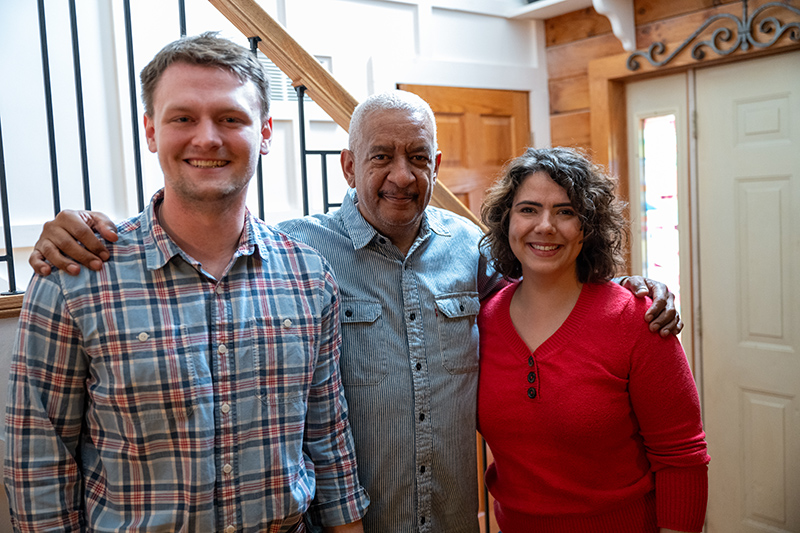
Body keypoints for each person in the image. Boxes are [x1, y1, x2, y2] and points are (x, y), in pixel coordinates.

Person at [27, 91, 683, 532]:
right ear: (347, 165)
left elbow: (546, 288)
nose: (402, 174)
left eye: (418, 157)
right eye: (381, 156)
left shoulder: (471, 249)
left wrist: (626, 286)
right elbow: (205, 241)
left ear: (436, 165)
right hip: (347, 522)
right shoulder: (294, 255)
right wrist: (79, 229)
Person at [4, 33, 368, 533]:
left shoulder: (308, 275)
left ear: (264, 132)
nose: (207, 138)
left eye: (230, 118)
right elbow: (39, 462)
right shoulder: (77, 278)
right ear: (152, 131)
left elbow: (328, 435)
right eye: (183, 118)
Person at [477, 147, 709, 533]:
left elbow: (681, 456)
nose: (545, 226)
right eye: (528, 209)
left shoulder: (639, 320)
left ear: (588, 227)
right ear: (507, 220)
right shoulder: (481, 323)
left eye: (565, 212)